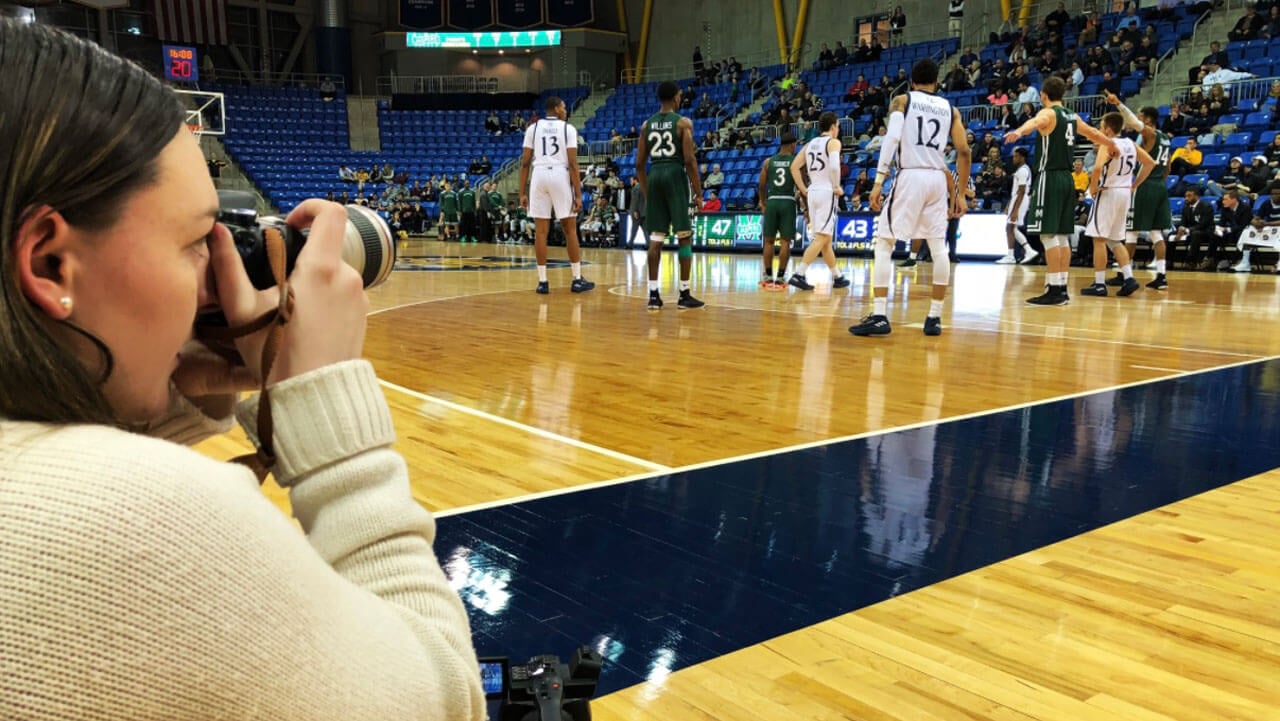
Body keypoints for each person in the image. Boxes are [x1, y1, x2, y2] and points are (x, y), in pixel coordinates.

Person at [0, 18, 484, 720]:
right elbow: (440, 698)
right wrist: (329, 420)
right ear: (49, 262)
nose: (215, 277)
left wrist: (175, 393)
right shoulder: (146, 523)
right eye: (198, 239)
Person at [852, 58, 971, 337]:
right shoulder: (950, 109)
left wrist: (879, 181)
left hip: (911, 175)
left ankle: (880, 314)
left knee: (884, 243)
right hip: (938, 178)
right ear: (936, 82)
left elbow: (892, 139)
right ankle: (934, 318)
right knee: (939, 247)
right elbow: (964, 151)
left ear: (913, 82)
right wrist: (961, 193)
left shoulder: (902, 101)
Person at [1004, 75, 1117, 305]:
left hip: (1050, 176)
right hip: (1067, 179)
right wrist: (1111, 144)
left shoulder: (1048, 113)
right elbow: (1094, 134)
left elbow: (1034, 123)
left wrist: (1019, 131)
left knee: (1047, 234)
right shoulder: (1072, 116)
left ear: (1043, 95)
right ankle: (1061, 286)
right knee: (1062, 236)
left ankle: (1055, 288)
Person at [635, 81, 705, 310]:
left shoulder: (647, 125)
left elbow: (638, 165)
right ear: (675, 98)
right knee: (684, 237)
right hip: (675, 175)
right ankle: (684, 293)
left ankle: (653, 294)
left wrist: (647, 192)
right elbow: (689, 160)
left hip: (654, 175)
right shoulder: (683, 123)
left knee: (656, 239)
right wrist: (698, 192)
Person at [519, 96, 593, 294]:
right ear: (556, 108)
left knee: (541, 232)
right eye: (564, 106)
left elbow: (525, 162)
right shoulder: (567, 128)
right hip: (560, 174)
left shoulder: (532, 128)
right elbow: (573, 164)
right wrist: (578, 195)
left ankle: (542, 282)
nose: (566, 110)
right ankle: (577, 279)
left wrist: (522, 193)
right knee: (570, 229)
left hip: (539, 175)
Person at [1080, 112, 1156, 297]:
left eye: (1101, 127)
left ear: (1107, 129)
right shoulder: (1130, 143)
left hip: (1108, 191)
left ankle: (1099, 284)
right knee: (1115, 239)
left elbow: (1097, 168)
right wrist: (1134, 184)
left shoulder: (1108, 144)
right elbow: (1150, 163)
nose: (1099, 130)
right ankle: (1129, 278)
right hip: (1124, 193)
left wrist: (1093, 188)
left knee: (1098, 238)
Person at [1104, 93, 1173, 290]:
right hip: (1160, 185)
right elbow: (1168, 167)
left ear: (1148, 120)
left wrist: (1119, 105)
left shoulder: (1150, 134)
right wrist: (1160, 182)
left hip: (1146, 185)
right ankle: (1161, 276)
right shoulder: (1166, 139)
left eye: (1141, 116)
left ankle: (1123, 274)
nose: (1138, 118)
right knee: (1156, 233)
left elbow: (1133, 123)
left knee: (1131, 231)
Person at [787, 112, 850, 292]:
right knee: (821, 237)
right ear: (833, 127)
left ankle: (837, 276)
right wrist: (837, 186)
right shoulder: (833, 142)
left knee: (825, 239)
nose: (838, 130)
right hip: (826, 191)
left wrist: (804, 189)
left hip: (813, 191)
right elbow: (835, 166)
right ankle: (799, 273)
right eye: (837, 126)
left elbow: (794, 168)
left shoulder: (809, 144)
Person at [757, 132, 799, 289]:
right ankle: (780, 278)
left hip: (772, 201)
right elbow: (801, 184)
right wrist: (807, 206)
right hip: (788, 201)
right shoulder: (795, 161)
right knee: (785, 242)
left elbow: (761, 186)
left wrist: (763, 202)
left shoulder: (769, 162)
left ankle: (767, 276)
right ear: (793, 145)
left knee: (768, 241)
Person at [996, 147, 1038, 264]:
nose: (1013, 158)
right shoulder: (1021, 170)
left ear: (1021, 157)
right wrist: (1009, 205)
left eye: (1015, 156)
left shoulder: (1023, 171)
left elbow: (1022, 191)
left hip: (1020, 200)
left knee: (1010, 227)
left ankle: (1015, 254)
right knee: (1011, 228)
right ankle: (1026, 251)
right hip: (1016, 199)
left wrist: (1015, 210)